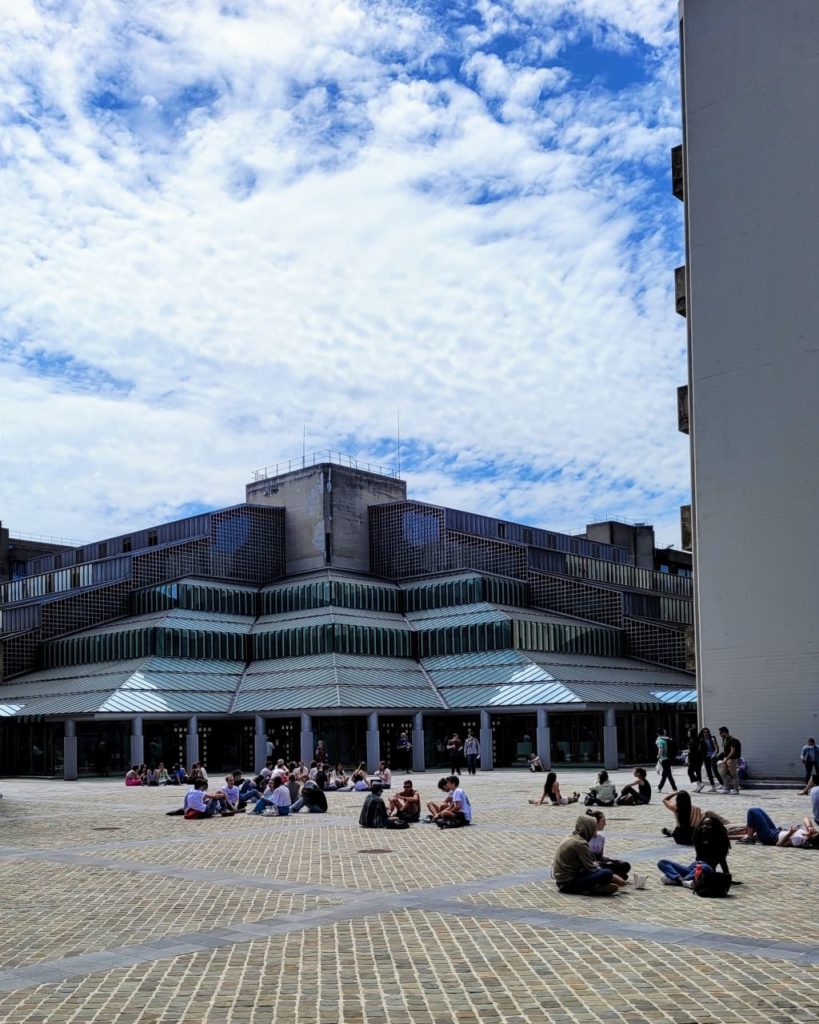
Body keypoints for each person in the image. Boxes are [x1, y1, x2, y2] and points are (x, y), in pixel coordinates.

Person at [552, 816, 622, 895]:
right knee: (607, 873)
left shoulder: (571, 838)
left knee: (611, 869)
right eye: (594, 828)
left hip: (561, 881)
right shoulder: (580, 843)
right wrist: (612, 876)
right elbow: (590, 867)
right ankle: (593, 888)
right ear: (588, 828)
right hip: (568, 883)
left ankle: (595, 887)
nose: (595, 830)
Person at [657, 812, 732, 885]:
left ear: (716, 827)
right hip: (692, 868)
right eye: (703, 824)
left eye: (708, 825)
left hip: (706, 868)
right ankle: (682, 880)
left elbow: (722, 860)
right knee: (662, 862)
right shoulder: (699, 838)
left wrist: (727, 876)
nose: (705, 826)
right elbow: (696, 837)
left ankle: (679, 879)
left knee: (704, 867)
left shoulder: (721, 842)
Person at [736, 807, 819, 847]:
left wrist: (790, 833)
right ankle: (751, 835)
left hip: (769, 836)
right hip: (775, 831)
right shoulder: (809, 832)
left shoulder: (799, 840)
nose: (816, 832)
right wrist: (809, 827)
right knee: (758, 810)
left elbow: (779, 844)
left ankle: (749, 838)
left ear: (813, 838)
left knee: (752, 811)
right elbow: (805, 818)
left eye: (816, 834)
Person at [586, 810, 631, 881]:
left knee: (625, 865)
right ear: (596, 823)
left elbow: (600, 857)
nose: (605, 824)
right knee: (608, 868)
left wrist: (611, 861)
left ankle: (613, 875)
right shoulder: (586, 837)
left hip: (600, 862)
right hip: (591, 865)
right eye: (603, 821)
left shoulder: (601, 838)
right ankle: (612, 876)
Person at [717, 726, 742, 794]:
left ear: (724, 732)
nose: (719, 734)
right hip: (726, 758)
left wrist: (726, 759)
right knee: (723, 773)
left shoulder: (732, 739)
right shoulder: (724, 739)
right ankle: (726, 788)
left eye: (720, 733)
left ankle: (736, 789)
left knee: (734, 774)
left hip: (732, 759)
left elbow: (732, 751)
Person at [656, 729, 677, 793]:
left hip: (664, 759)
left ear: (658, 734)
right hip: (670, 758)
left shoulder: (660, 740)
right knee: (664, 774)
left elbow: (660, 748)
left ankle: (674, 788)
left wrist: (658, 755)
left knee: (668, 774)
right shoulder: (667, 739)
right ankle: (660, 787)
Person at [699, 727, 720, 791]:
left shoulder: (712, 739)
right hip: (706, 757)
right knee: (709, 772)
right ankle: (713, 786)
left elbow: (716, 748)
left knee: (715, 771)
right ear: (702, 733)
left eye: (707, 732)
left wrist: (713, 755)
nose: (706, 733)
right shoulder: (702, 740)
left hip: (712, 757)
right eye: (704, 732)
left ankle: (722, 784)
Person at [686, 726, 705, 791]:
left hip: (693, 759)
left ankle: (699, 784)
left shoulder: (692, 740)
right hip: (699, 758)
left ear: (691, 733)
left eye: (688, 733)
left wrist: (688, 759)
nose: (688, 734)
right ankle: (699, 787)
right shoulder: (698, 739)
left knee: (689, 772)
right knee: (698, 772)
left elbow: (691, 751)